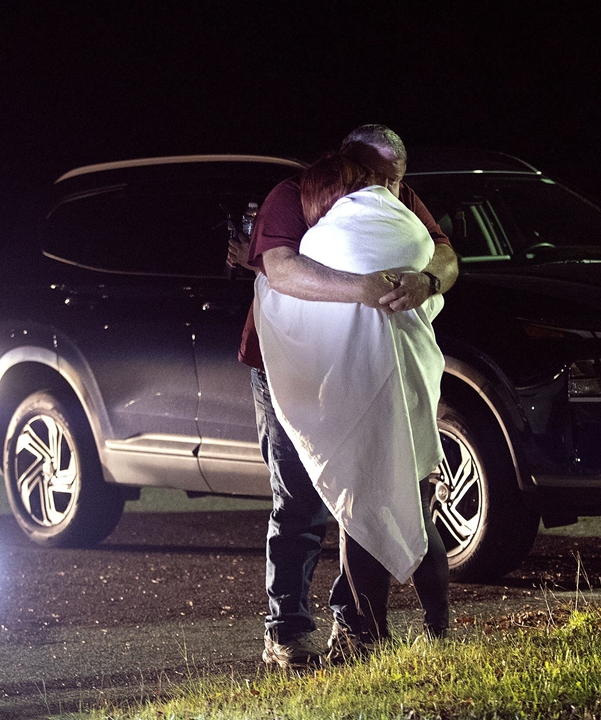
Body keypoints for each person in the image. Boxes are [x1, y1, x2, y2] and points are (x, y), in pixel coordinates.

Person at [232, 125, 457, 669]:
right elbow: (281, 270)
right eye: (381, 178)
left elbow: (446, 256)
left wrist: (427, 282)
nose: (391, 191)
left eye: (399, 181)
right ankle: (286, 633)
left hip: (366, 366)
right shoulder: (294, 197)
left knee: (365, 491)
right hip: (296, 370)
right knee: (301, 501)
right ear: (350, 163)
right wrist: (365, 286)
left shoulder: (397, 197)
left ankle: (356, 629)